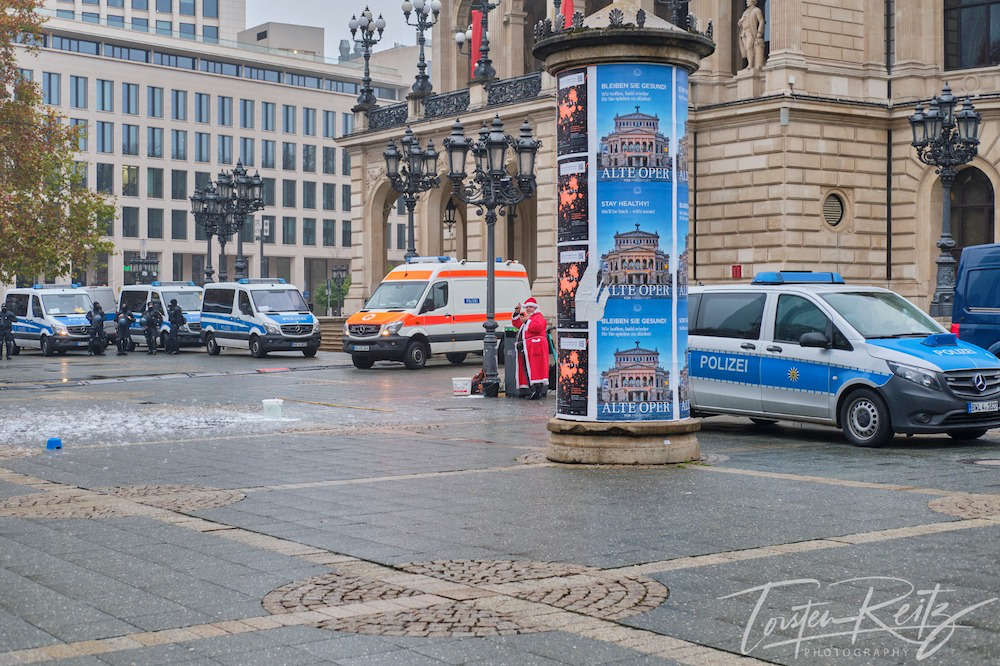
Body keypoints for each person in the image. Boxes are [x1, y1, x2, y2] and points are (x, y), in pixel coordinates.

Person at [511, 296, 550, 400]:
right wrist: (517, 312)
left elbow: (537, 327)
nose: (528, 309)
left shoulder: (538, 317)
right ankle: (529, 390)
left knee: (535, 370)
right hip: (526, 349)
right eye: (527, 307)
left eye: (531, 307)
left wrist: (527, 320)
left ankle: (536, 391)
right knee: (528, 370)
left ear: (535, 308)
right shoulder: (528, 317)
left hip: (535, 348)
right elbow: (517, 323)